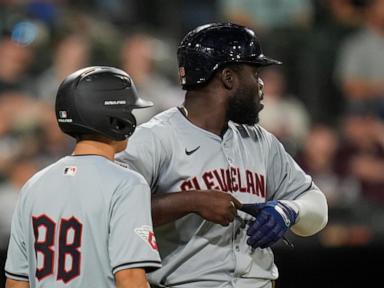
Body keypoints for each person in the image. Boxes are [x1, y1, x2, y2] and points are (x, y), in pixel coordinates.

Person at [117, 23, 328, 288]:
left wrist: (289, 210)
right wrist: (189, 201)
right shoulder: (154, 138)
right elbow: (112, 214)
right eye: (255, 72)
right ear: (228, 78)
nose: (261, 85)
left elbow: (317, 206)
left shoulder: (260, 141)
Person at [4, 66, 161, 288]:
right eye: (129, 110)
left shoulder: (34, 184)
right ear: (115, 117)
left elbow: (16, 283)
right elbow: (130, 279)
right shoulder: (127, 183)